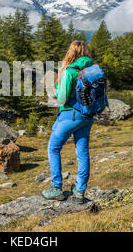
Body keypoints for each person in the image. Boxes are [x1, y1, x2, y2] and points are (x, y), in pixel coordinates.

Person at [42, 41, 94, 204]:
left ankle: (56, 188)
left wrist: (57, 88)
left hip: (70, 115)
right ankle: (79, 191)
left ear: (70, 53)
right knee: (82, 151)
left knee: (53, 148)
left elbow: (62, 98)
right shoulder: (92, 71)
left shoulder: (70, 72)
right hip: (87, 116)